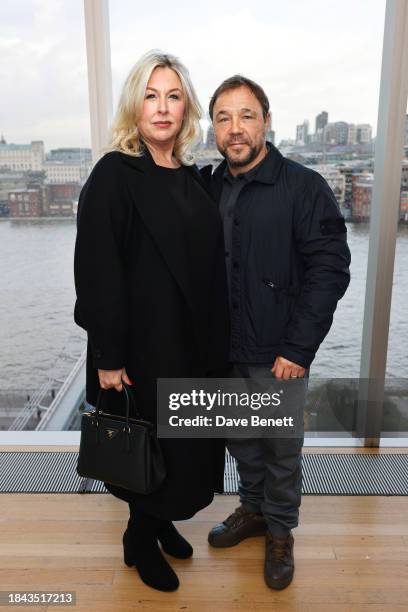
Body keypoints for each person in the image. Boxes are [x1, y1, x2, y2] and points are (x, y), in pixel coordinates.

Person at [73, 50, 229, 592]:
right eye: (150, 95)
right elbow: (97, 270)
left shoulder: (190, 177)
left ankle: (160, 523)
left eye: (173, 96)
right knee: (151, 446)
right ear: (134, 106)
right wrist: (109, 358)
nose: (162, 108)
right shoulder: (115, 173)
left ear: (186, 110)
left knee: (186, 447)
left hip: (192, 344)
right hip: (142, 347)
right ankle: (139, 537)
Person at [203, 75, 351, 590]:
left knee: (281, 450)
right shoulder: (207, 186)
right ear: (213, 129)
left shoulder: (303, 187)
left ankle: (281, 532)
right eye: (224, 118)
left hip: (278, 355)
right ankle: (253, 510)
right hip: (223, 352)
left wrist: (298, 347)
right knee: (241, 441)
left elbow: (330, 268)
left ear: (267, 121)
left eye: (246, 116)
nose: (235, 128)